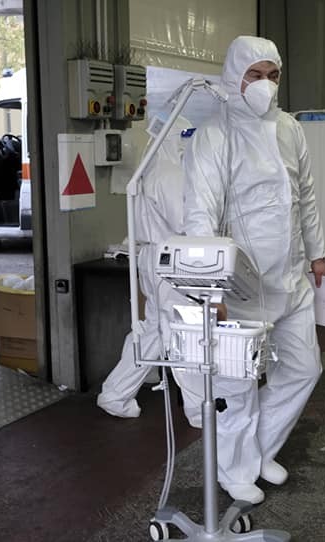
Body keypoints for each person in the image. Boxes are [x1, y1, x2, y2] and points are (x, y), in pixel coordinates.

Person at [183, 36, 325, 504]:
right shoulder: (214, 135)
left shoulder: (290, 129)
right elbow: (200, 216)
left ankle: (259, 450)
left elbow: (305, 197)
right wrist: (210, 288)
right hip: (240, 285)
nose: (265, 84)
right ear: (234, 76)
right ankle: (235, 469)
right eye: (255, 74)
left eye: (273, 75)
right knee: (238, 383)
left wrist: (318, 253)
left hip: (290, 276)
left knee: (304, 368)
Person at [97, 115, 202, 427]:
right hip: (171, 259)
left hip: (153, 259)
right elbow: (186, 222)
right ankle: (199, 410)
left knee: (154, 330)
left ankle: (115, 394)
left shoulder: (151, 167)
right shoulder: (170, 173)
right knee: (184, 334)